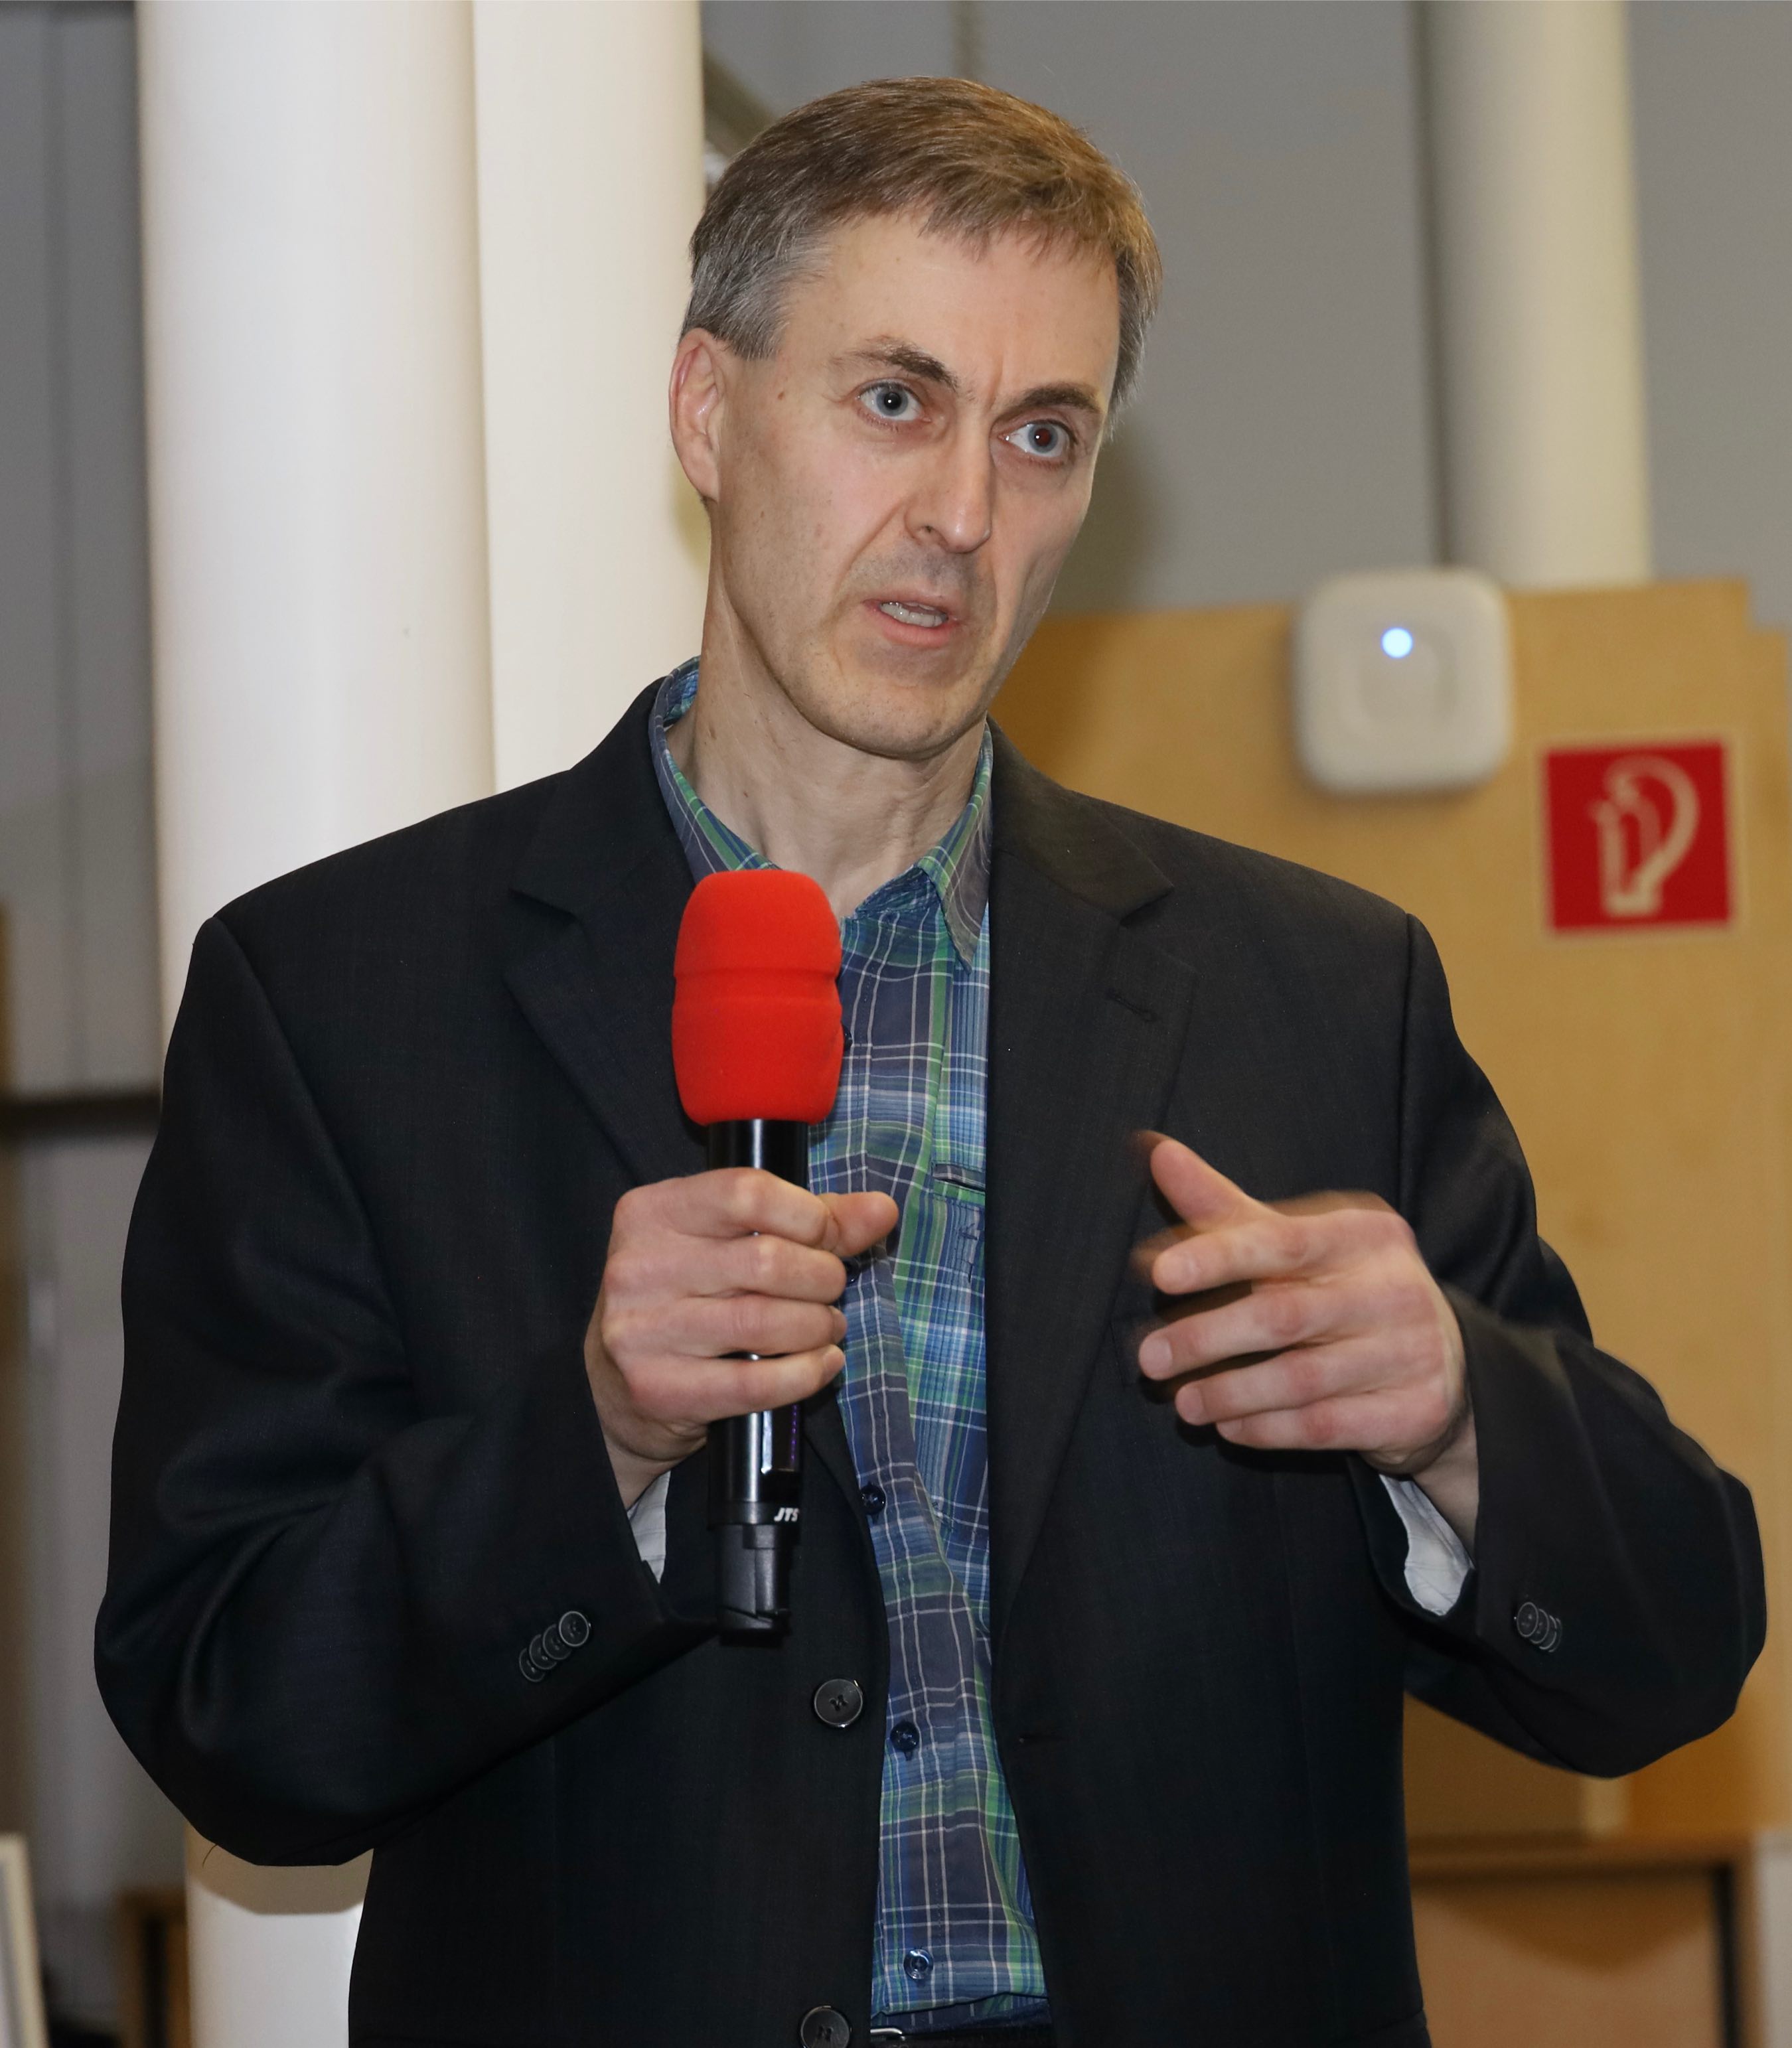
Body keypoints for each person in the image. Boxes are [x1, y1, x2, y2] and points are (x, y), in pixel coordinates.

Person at [100, 78, 1763, 2048]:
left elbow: (1665, 1658)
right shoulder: (345, 997)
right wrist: (593, 1444)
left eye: (1041, 434)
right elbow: (236, 1717)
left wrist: (1460, 1421)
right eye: (894, 399)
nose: (965, 515)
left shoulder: (1315, 996)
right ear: (707, 411)